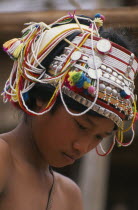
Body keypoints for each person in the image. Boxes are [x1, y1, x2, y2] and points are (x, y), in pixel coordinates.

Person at [0, 12, 137, 210]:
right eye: (81, 126)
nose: (82, 147)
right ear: (43, 99)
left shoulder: (69, 196)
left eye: (99, 137)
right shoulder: (3, 158)